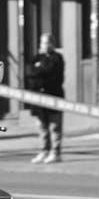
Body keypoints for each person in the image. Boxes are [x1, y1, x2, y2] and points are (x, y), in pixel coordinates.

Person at [26, 32, 65, 164]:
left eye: (47, 42)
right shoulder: (37, 57)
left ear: (52, 44)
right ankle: (44, 151)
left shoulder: (57, 58)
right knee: (42, 127)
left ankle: (56, 153)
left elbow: (51, 73)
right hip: (38, 98)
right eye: (43, 42)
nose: (45, 45)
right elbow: (30, 72)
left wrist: (39, 70)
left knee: (54, 127)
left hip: (53, 96)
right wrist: (40, 70)